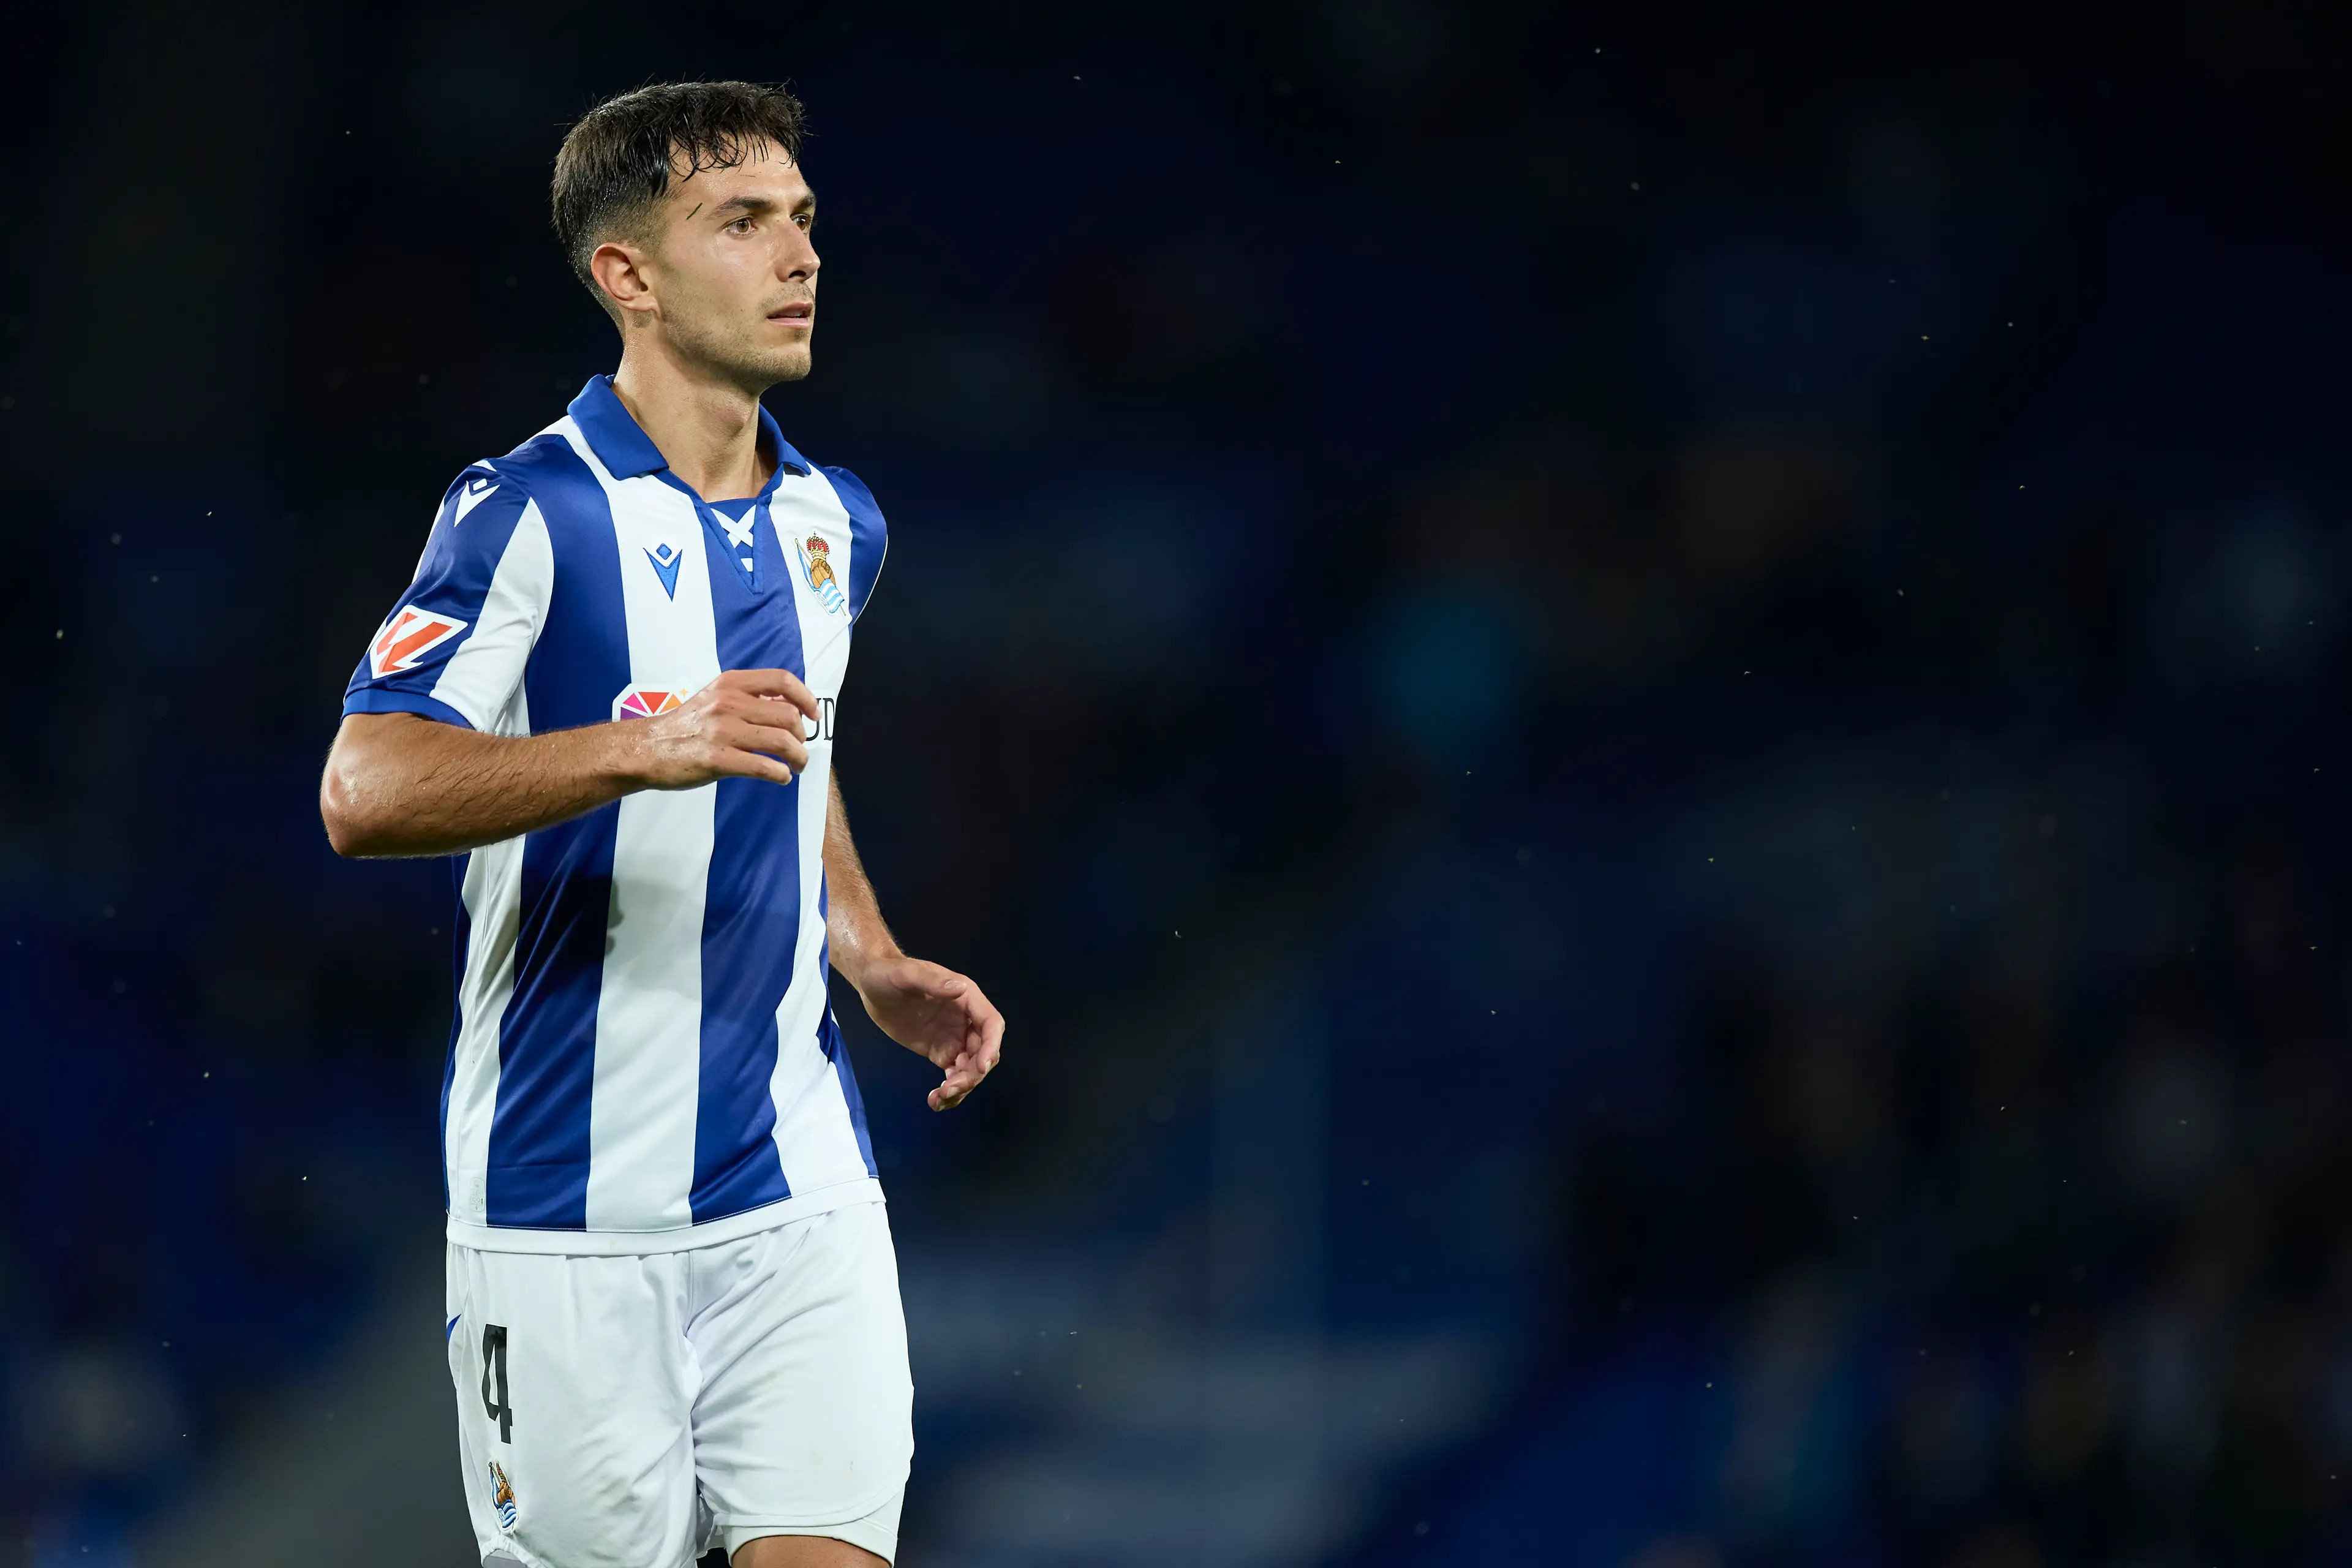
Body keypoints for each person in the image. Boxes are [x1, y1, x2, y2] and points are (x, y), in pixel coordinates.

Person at [318, 80, 1004, 1568]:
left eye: (804, 220)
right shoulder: (524, 514)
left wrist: (867, 948)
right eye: (743, 222)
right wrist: (645, 747)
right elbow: (364, 788)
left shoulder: (839, 523)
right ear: (626, 273)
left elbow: (792, 747)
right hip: (565, 1214)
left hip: (794, 1186)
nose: (800, 256)